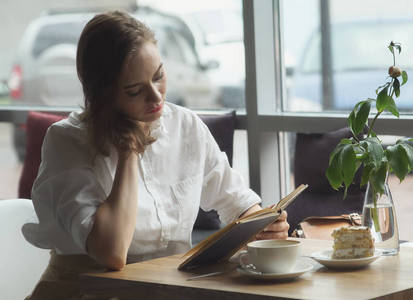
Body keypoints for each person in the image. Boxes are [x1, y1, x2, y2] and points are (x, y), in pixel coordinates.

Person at [22, 10, 289, 300]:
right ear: (103, 95)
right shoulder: (67, 141)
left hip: (167, 289)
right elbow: (111, 253)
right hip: (86, 293)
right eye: (135, 90)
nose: (157, 96)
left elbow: (237, 203)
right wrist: (127, 152)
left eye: (159, 76)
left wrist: (264, 225)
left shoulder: (185, 125)